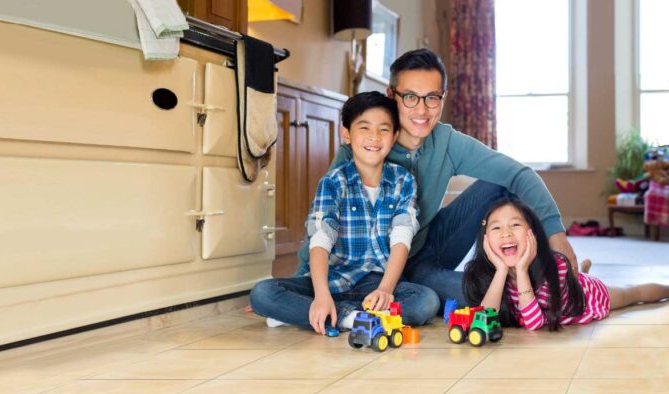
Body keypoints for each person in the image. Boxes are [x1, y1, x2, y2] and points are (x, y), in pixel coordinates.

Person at [297, 48, 579, 313]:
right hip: (385, 268)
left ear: (443, 97)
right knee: (492, 300)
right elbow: (322, 219)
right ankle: (535, 291)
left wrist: (557, 237)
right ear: (392, 95)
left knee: (500, 184)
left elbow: (519, 173)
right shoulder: (363, 146)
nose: (422, 110)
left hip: (429, 243)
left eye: (432, 97)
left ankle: (555, 276)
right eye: (410, 97)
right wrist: (301, 281)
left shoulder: (446, 141)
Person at [250, 92, 438, 334]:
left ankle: (318, 314)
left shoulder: (404, 180)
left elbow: (402, 238)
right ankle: (347, 316)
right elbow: (320, 240)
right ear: (346, 134)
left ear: (395, 137)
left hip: (378, 283)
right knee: (262, 293)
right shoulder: (333, 182)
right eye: (364, 128)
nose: (374, 137)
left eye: (383, 130)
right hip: (332, 280)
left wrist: (386, 289)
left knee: (427, 301)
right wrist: (321, 294)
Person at [463, 197, 669, 330]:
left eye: (515, 225)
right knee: (578, 275)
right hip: (567, 284)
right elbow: (484, 319)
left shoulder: (555, 268)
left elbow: (534, 324)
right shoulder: (487, 273)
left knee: (632, 294)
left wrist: (522, 269)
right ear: (485, 239)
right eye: (496, 228)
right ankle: (584, 270)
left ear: (532, 233)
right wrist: (501, 270)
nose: (506, 233)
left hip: (585, 295)